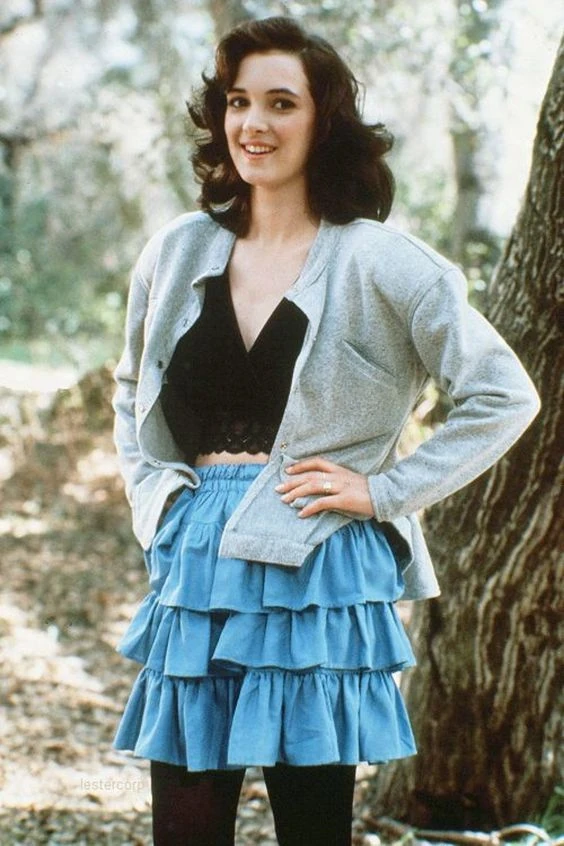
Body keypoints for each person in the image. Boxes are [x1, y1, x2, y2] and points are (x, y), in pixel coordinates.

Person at [111, 16, 539, 846]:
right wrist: (154, 497)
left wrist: (385, 492)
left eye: (282, 103)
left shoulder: (381, 260)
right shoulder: (176, 250)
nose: (254, 124)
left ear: (324, 121)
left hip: (315, 562)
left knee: (312, 829)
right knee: (184, 828)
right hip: (194, 558)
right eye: (239, 102)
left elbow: (503, 395)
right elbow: (132, 387)